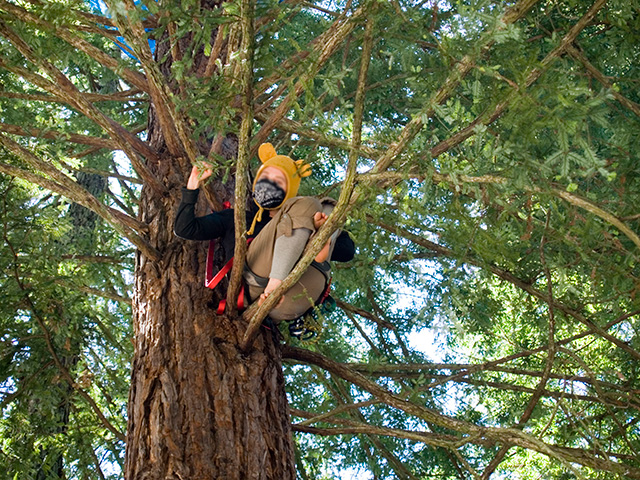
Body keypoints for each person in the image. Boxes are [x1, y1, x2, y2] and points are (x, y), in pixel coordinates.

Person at [174, 143, 355, 322]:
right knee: (309, 204)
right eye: (265, 176)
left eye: (278, 181)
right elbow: (185, 228)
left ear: (289, 190)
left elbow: (346, 251)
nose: (269, 183)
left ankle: (320, 240)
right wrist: (192, 186)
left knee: (328, 206)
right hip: (257, 287)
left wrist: (315, 227)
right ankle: (276, 283)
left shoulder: (300, 214)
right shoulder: (236, 218)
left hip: (304, 284)